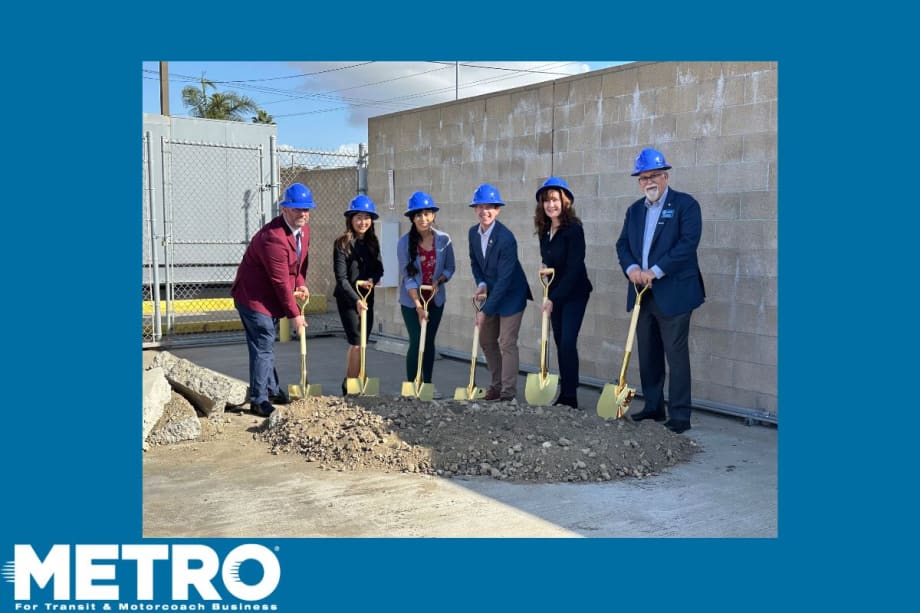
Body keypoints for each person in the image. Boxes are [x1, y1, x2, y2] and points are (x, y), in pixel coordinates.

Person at [615, 148, 705, 434]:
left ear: (665, 176)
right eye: (643, 178)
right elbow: (622, 246)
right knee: (648, 353)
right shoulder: (634, 210)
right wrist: (633, 271)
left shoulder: (685, 205)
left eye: (654, 175)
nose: (649, 182)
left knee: (675, 355)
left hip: (674, 292)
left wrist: (654, 271)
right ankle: (654, 406)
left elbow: (687, 244)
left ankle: (679, 415)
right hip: (643, 293)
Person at [231, 182, 313, 417]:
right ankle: (259, 399)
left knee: (265, 344)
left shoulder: (304, 231)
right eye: (298, 209)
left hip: (271, 297)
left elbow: (298, 265)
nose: (303, 214)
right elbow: (279, 281)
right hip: (253, 298)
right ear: (284, 209)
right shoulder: (273, 238)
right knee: (264, 343)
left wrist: (300, 283)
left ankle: (272, 389)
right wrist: (295, 315)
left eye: (306, 210)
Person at [468, 183, 533, 402]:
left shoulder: (506, 238)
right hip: (493, 292)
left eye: (490, 207)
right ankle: (495, 386)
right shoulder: (473, 234)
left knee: (506, 342)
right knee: (486, 339)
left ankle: (508, 393)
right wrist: (481, 283)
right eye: (480, 206)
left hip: (512, 294)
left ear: (497, 210)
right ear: (475, 209)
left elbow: (505, 280)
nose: (484, 211)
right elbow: (476, 264)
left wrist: (485, 311)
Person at [533, 176, 593, 409]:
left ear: (565, 201)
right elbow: (550, 260)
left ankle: (570, 395)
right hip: (556, 293)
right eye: (546, 201)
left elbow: (575, 266)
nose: (551, 205)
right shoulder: (545, 230)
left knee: (568, 341)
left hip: (575, 293)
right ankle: (565, 390)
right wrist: (544, 268)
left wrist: (553, 299)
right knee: (559, 341)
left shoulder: (574, 229)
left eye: (555, 200)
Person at [397, 191, 456, 395]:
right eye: (418, 215)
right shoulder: (404, 243)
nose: (423, 219)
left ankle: (427, 386)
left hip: (436, 299)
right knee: (416, 340)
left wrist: (439, 280)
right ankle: (412, 384)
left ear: (433, 216)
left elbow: (450, 268)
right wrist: (419, 305)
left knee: (429, 342)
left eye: (427, 214)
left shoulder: (444, 240)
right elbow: (408, 276)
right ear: (412, 218)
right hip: (411, 301)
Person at [333, 194, 384, 395]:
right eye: (358, 217)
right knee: (356, 342)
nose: (363, 222)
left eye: (366, 218)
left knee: (364, 342)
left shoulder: (373, 242)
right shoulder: (342, 243)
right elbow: (341, 278)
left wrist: (372, 279)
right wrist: (355, 300)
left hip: (367, 297)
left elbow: (379, 268)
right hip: (348, 299)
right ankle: (350, 384)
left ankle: (359, 378)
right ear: (351, 219)